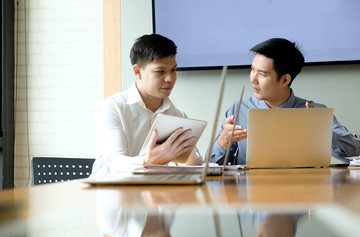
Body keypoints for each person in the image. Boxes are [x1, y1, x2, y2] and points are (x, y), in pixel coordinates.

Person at [211, 38, 360, 165]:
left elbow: (357, 153)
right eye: (252, 69)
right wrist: (223, 142)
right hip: (249, 193)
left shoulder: (314, 113)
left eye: (262, 74)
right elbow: (210, 165)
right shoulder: (238, 110)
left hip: (303, 193)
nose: (253, 78)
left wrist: (323, 131)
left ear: (285, 79)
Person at [91, 34, 202, 178]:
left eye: (173, 70)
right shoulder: (112, 107)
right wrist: (147, 161)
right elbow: (113, 162)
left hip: (150, 194)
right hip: (107, 193)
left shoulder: (177, 116)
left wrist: (189, 153)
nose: (170, 79)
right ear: (138, 71)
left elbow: (194, 166)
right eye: (160, 71)